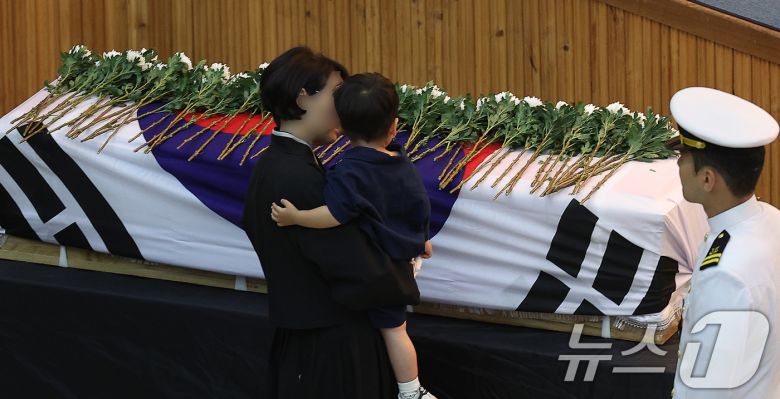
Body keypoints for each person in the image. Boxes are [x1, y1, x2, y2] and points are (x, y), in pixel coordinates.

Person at [241, 47, 421, 399]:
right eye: (337, 94)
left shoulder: (273, 164)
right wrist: (407, 267)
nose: (345, 107)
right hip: (331, 350)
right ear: (302, 97)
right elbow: (356, 268)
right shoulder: (297, 176)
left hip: (308, 343)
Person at [667, 87, 780, 398]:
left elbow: (710, 388)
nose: (678, 165)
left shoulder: (726, 275)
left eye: (684, 157)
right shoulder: (771, 219)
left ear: (707, 179)